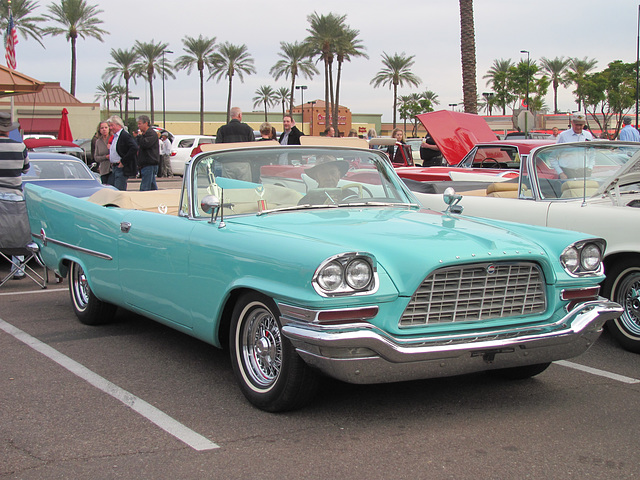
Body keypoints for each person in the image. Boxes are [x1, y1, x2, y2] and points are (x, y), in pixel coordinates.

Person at [0, 112, 29, 279]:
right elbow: (26, 169)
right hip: (15, 196)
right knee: (18, 232)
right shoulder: (20, 146)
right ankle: (18, 268)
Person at [107, 115, 138, 191]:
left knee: (119, 191)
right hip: (114, 167)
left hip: (120, 168)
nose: (110, 128)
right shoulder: (115, 136)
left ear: (118, 125)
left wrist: (124, 161)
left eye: (112, 126)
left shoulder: (124, 135)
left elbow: (134, 147)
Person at [135, 115, 160, 191]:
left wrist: (139, 136)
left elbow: (145, 144)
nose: (138, 126)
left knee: (145, 187)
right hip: (145, 164)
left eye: (140, 124)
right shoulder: (145, 135)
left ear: (146, 123)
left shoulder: (151, 134)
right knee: (152, 186)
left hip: (150, 164)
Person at [93, 121, 112, 185]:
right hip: (103, 170)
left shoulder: (113, 138)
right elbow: (96, 157)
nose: (104, 129)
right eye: (102, 128)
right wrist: (105, 157)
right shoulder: (98, 141)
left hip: (112, 168)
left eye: (106, 127)